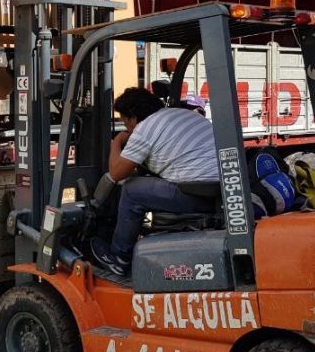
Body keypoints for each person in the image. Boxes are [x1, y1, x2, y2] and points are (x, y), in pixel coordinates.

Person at [90, 87, 219, 275]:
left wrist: (116, 141)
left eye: (125, 121)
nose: (126, 127)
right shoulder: (184, 115)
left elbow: (117, 173)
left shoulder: (145, 129)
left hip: (194, 194)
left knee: (132, 189)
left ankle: (118, 258)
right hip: (218, 193)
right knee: (144, 183)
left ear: (133, 117)